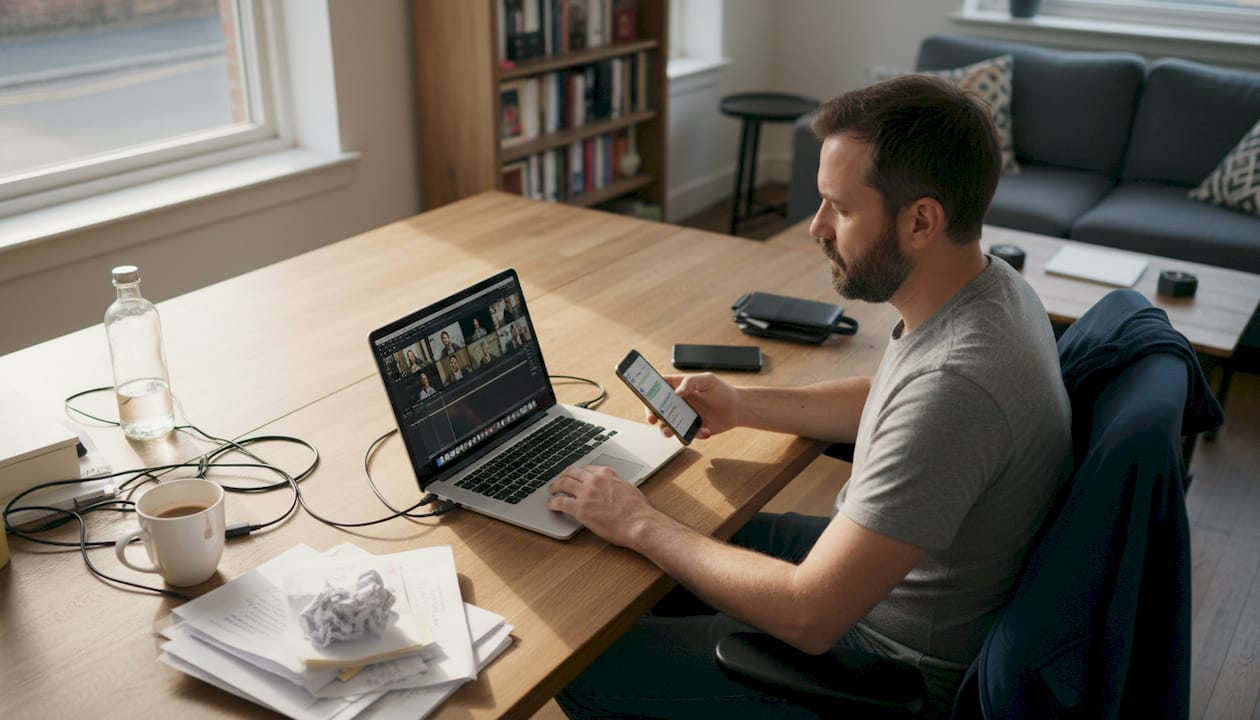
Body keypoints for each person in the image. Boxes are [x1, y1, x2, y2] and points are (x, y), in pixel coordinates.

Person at [547, 75, 1072, 719]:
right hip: (879, 583)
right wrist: (743, 406)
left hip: (875, 666)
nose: (816, 227)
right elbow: (887, 398)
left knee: (581, 658)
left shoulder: (956, 385)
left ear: (922, 221)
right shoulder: (992, 291)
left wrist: (637, 522)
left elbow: (809, 615)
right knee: (652, 551)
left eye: (840, 209)